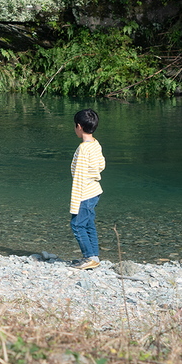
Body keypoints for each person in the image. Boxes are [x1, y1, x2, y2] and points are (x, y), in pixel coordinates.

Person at [69, 108, 106, 270]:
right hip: (95, 191)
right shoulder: (95, 144)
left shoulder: (83, 150)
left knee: (76, 224)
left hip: (84, 193)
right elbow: (102, 165)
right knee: (89, 223)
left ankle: (89, 257)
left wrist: (74, 204)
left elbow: (79, 178)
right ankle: (94, 256)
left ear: (79, 126)